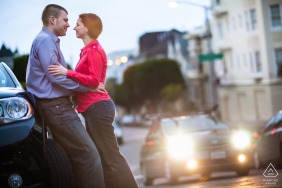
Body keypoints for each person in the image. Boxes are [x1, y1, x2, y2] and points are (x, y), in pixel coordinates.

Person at [48, 13, 138, 188]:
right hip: (92, 109)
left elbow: (94, 81)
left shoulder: (95, 51)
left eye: (78, 24)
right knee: (103, 158)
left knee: (111, 157)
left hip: (98, 107)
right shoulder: (86, 51)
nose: (74, 27)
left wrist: (67, 72)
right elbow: (88, 81)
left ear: (87, 28)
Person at [26, 4, 105, 188]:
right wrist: (87, 88)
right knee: (89, 154)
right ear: (53, 20)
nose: (69, 25)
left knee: (74, 158)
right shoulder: (45, 41)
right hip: (57, 107)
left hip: (55, 106)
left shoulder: (47, 40)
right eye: (66, 20)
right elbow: (56, 77)